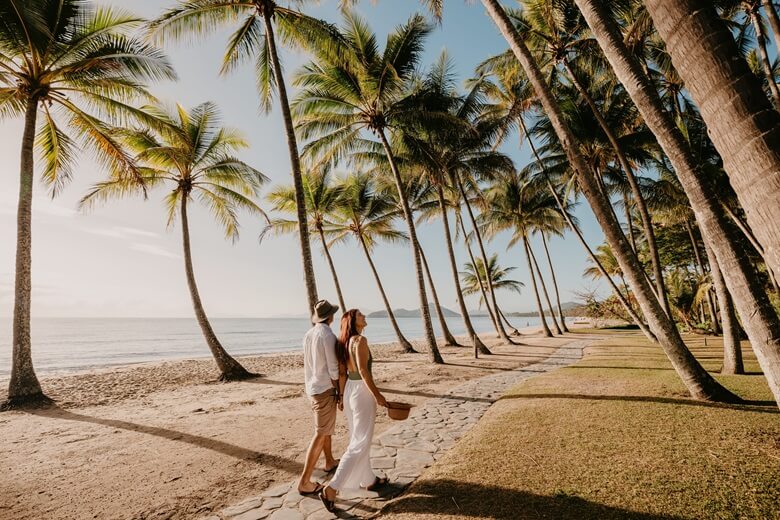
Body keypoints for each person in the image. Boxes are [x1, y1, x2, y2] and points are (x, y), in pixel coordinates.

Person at [320, 309, 388, 513]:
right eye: (360, 315)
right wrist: (377, 395)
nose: (364, 316)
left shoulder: (344, 342)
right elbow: (364, 371)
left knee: (358, 438)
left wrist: (341, 397)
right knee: (360, 442)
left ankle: (368, 480)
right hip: (361, 392)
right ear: (352, 321)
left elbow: (343, 373)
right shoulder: (360, 340)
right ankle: (331, 488)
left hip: (350, 390)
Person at [297, 299, 341, 496]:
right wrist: (338, 390)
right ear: (330, 316)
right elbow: (333, 368)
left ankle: (329, 461)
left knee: (326, 427)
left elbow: (308, 363)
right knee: (321, 432)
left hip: (313, 387)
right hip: (325, 388)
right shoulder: (328, 335)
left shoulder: (309, 334)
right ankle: (305, 481)